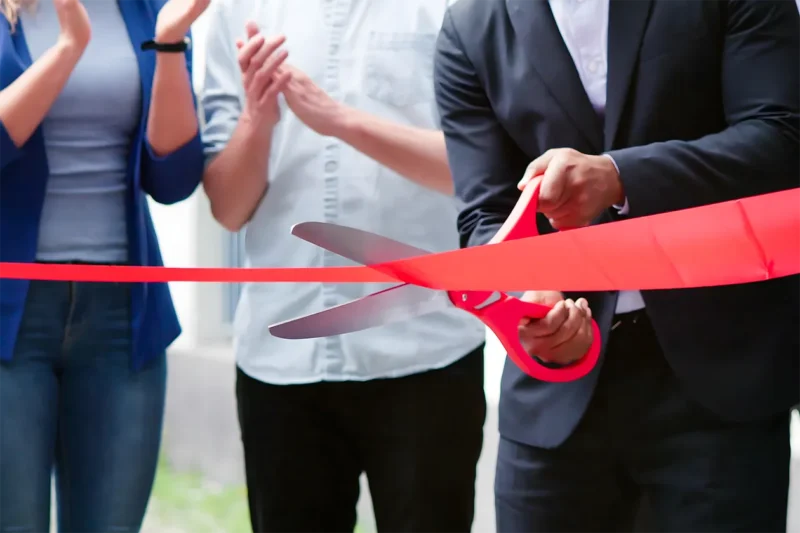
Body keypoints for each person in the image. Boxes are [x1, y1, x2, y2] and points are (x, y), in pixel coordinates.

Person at [433, 0, 800, 532]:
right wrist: (528, 299)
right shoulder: (471, 24)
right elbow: (485, 217)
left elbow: (783, 137)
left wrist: (621, 176)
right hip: (553, 397)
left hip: (719, 381)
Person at [200, 1, 488, 532]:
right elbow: (228, 208)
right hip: (281, 357)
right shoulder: (236, 12)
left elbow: (480, 170)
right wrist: (257, 119)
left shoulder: (452, 7)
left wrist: (341, 122)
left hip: (425, 347)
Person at [0, 0, 208, 531]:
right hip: (9, 320)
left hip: (122, 319)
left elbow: (174, 178)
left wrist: (168, 42)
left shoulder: (147, 11)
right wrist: (70, 48)